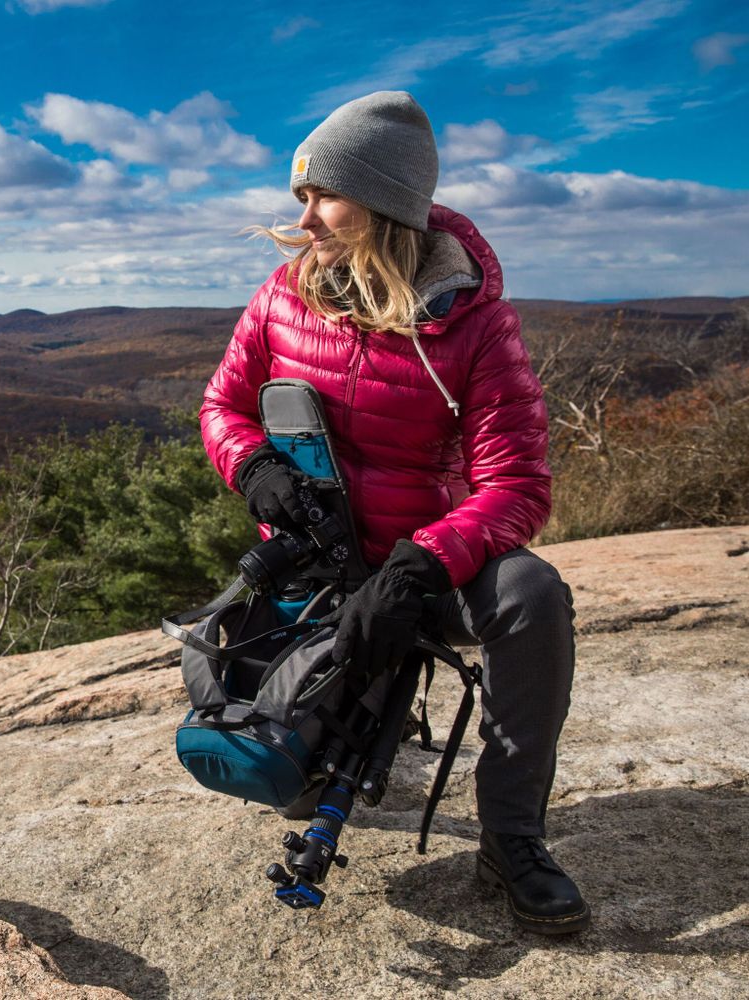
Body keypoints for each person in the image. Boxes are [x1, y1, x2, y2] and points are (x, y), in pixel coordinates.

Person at [199, 91, 589, 935]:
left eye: (321, 196)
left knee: (531, 595)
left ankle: (512, 840)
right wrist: (255, 465)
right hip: (320, 569)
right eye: (300, 197)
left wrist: (424, 564)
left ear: (381, 203)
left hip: (425, 573)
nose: (303, 218)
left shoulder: (477, 326)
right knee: (275, 773)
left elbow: (517, 484)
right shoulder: (282, 295)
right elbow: (222, 406)